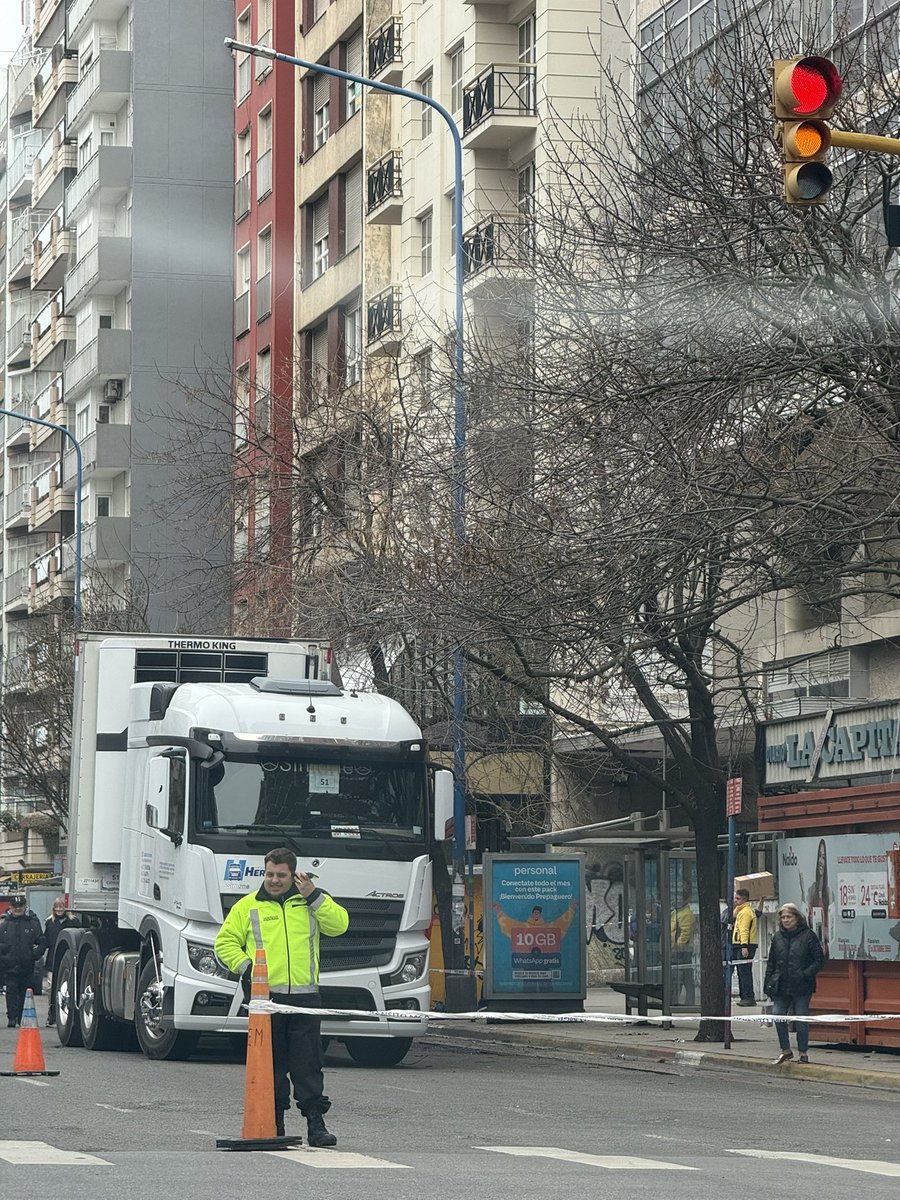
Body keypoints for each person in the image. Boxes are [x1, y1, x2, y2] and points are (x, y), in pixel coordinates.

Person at [214, 847, 349, 1145]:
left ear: (294, 875)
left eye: (281, 875)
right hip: (266, 1000)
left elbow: (340, 926)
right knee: (270, 1066)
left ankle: (316, 1124)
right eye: (270, 874)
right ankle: (273, 1123)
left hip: (305, 998)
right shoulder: (247, 906)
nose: (274, 880)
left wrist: (314, 896)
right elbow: (224, 943)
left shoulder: (311, 902)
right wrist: (247, 968)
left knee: (308, 1064)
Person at [763, 901, 825, 1064]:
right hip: (781, 985)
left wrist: (805, 974)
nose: (785, 920)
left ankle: (803, 1052)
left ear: (797, 918)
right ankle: (785, 1050)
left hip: (802, 986)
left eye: (789, 916)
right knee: (778, 1015)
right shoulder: (777, 937)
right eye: (783, 917)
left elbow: (819, 959)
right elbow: (772, 962)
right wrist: (768, 983)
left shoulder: (808, 935)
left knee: (801, 1018)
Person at [0, 895, 45, 1027]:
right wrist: (4, 956)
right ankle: (12, 1018)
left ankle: (21, 1017)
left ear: (25, 907)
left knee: (24, 992)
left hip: (27, 966)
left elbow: (41, 941)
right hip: (9, 965)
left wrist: (34, 955)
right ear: (11, 907)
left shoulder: (33, 923)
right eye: (15, 907)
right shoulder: (4, 924)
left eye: (20, 906)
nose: (18, 909)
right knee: (11, 992)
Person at [43, 896, 76, 1026]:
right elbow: (44, 940)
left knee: (64, 988)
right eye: (56, 906)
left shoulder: (74, 922)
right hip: (52, 960)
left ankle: (64, 1012)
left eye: (61, 906)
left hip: (67, 959)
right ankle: (51, 1013)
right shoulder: (49, 923)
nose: (58, 909)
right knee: (51, 987)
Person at [731, 887, 758, 1006]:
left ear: (745, 899)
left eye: (738, 899)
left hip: (745, 945)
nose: (736, 901)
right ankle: (745, 996)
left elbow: (744, 930)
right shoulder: (742, 911)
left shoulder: (746, 912)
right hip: (742, 944)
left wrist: (744, 946)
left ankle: (748, 997)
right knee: (742, 972)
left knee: (744, 972)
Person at [670, 890, 696, 1004]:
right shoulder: (676, 912)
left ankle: (685, 1000)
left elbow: (685, 932)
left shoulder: (686, 914)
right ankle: (678, 999)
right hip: (676, 948)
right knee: (680, 976)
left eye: (678, 898)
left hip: (682, 950)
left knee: (683, 976)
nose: (675, 900)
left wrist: (678, 945)